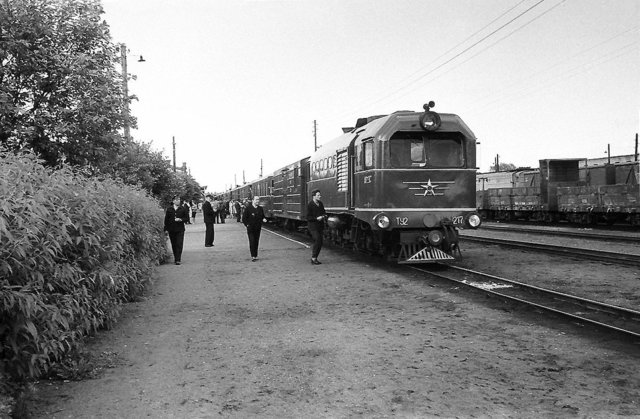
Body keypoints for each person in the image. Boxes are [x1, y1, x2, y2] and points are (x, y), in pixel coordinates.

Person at [164, 195, 189, 265]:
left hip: (180, 229)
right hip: (171, 229)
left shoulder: (183, 208)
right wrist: (166, 229)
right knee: (174, 244)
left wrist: (181, 219)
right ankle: (176, 257)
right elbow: (166, 220)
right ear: (173, 201)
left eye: (179, 199)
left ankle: (178, 259)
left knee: (179, 243)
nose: (178, 201)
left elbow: (187, 218)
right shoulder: (169, 209)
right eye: (177, 199)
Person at [242, 195, 266, 262]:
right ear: (253, 200)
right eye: (256, 199)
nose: (257, 201)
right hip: (250, 228)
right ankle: (253, 256)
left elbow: (262, 216)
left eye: (258, 200)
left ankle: (255, 255)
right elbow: (244, 218)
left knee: (256, 242)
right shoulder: (248, 208)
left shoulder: (260, 209)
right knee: (252, 241)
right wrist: (247, 225)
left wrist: (264, 219)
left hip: (258, 228)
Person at [306, 189, 326, 265]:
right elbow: (308, 217)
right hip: (313, 226)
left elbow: (324, 212)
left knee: (320, 242)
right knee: (317, 240)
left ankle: (315, 258)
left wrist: (324, 216)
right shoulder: (310, 205)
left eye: (320, 195)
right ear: (314, 196)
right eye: (318, 195)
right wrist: (316, 218)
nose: (320, 196)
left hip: (320, 226)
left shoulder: (320, 204)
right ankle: (313, 258)